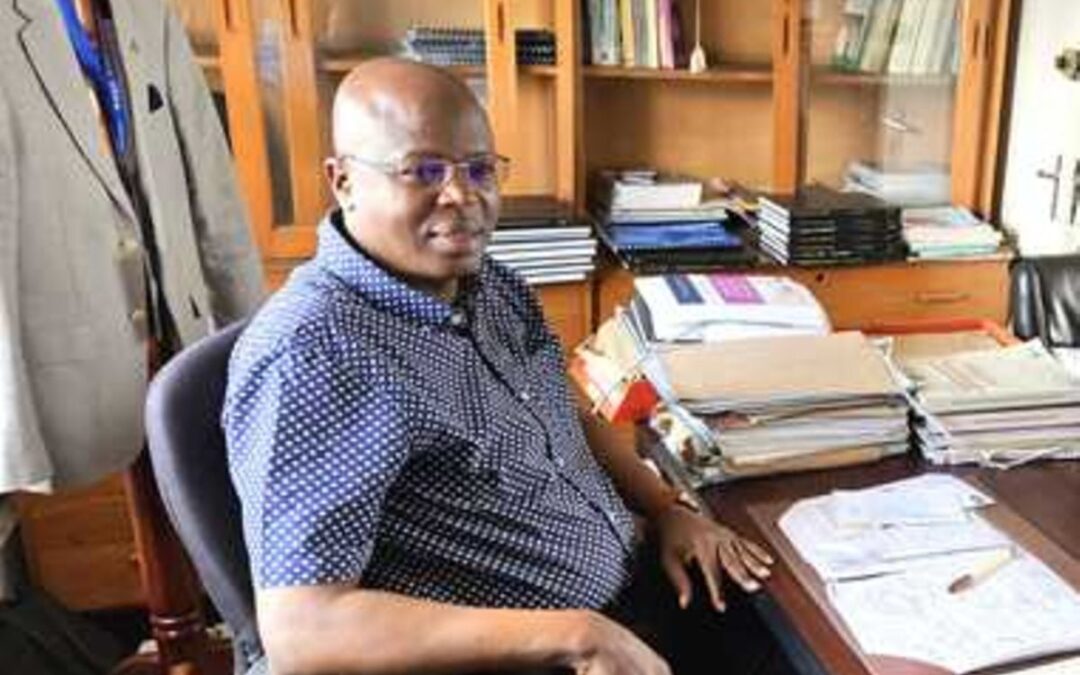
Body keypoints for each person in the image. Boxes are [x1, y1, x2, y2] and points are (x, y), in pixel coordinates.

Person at [224, 57, 786, 675]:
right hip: (527, 658)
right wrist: (577, 635)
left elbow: (563, 417)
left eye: (479, 169)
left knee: (794, 628)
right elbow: (305, 630)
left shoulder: (489, 286)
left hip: (626, 597)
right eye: (423, 171)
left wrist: (666, 508)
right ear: (343, 182)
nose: (462, 195)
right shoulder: (313, 354)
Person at [0, 0, 263, 494]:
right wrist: (12, 442)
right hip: (67, 390)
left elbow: (213, 186)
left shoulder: (147, 11)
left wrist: (254, 353)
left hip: (177, 348)